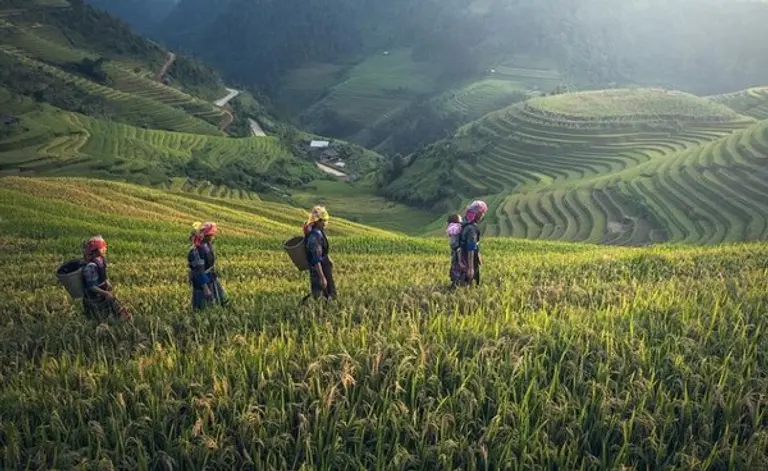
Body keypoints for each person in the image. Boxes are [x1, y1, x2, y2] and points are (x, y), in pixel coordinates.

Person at [81, 236, 132, 321]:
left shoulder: (101, 260)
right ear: (96, 250)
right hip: (93, 296)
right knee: (107, 306)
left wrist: (106, 282)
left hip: (102, 291)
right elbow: (91, 286)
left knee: (113, 301)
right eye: (102, 248)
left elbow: (102, 276)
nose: (105, 249)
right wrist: (105, 293)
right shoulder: (91, 267)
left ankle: (121, 315)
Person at [188, 222, 229, 310]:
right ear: (206, 236)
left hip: (211, 279)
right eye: (212, 235)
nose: (213, 237)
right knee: (205, 306)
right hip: (203, 283)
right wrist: (206, 289)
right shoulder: (195, 251)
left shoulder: (207, 246)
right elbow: (198, 271)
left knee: (220, 303)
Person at [301, 206, 336, 303]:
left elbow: (323, 251)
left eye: (326, 220)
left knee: (329, 293)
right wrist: (322, 277)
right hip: (318, 270)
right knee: (319, 294)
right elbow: (316, 259)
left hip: (324, 267)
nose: (326, 223)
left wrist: (328, 259)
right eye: (324, 221)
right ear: (318, 221)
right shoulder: (314, 237)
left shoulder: (319, 232)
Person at [450, 200, 488, 288]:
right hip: (468, 259)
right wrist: (471, 268)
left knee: (458, 281)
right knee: (469, 283)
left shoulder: (463, 223)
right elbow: (471, 248)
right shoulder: (472, 229)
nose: (483, 216)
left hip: (459, 257)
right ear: (477, 214)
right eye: (482, 213)